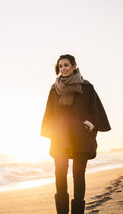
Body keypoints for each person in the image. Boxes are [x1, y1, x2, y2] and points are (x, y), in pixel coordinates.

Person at [41, 54, 111, 214]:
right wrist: (51, 130)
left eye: (66, 65)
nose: (63, 68)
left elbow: (95, 109)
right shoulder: (54, 89)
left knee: (78, 175)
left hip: (81, 136)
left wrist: (92, 122)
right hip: (60, 138)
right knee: (60, 173)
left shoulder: (87, 87)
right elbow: (49, 114)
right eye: (60, 66)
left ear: (74, 66)